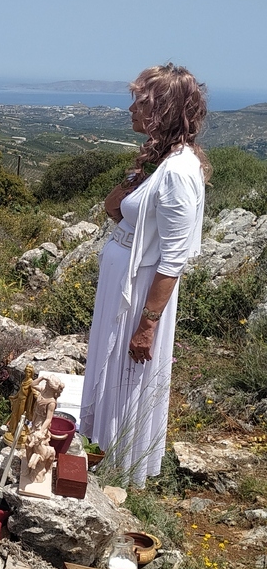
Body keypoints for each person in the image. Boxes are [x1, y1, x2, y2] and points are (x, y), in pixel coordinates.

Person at [79, 64, 209, 486]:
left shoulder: (179, 174)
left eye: (143, 101)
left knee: (129, 375)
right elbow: (113, 209)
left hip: (140, 294)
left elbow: (173, 260)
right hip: (122, 287)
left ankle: (122, 470)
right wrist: (132, 179)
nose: (131, 107)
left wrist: (147, 326)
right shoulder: (160, 162)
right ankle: (101, 449)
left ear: (166, 110)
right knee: (110, 367)